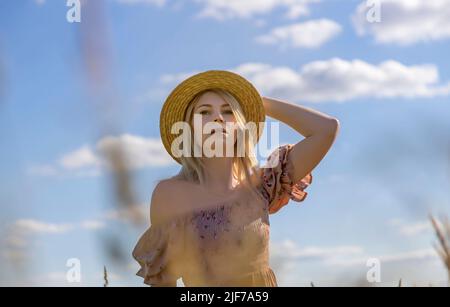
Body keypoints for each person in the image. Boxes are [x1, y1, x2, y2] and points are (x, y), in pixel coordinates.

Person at [132, 70, 340, 286]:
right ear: (190, 129)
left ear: (241, 127)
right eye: (204, 112)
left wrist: (257, 102)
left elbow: (326, 129)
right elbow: (163, 281)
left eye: (228, 111)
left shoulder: (263, 184)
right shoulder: (171, 194)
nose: (218, 118)